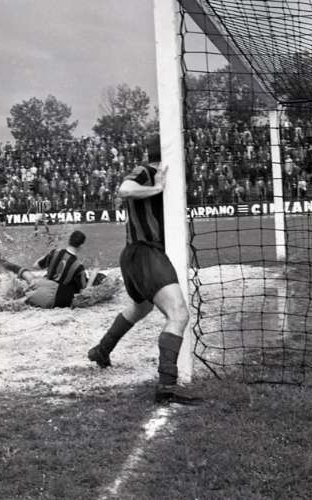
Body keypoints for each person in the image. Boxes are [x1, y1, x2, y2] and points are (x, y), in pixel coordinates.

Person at [87, 136, 201, 405]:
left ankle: (101, 350)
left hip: (134, 255)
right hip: (145, 253)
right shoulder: (147, 171)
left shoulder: (164, 174)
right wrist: (157, 187)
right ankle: (167, 386)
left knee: (141, 307)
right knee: (179, 314)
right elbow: (124, 189)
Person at [0, 230, 98, 310]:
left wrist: (48, 258)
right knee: (15, 303)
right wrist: (93, 274)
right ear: (81, 246)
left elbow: (36, 265)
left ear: (69, 240)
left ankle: (7, 265)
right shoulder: (78, 266)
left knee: (28, 275)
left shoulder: (55, 252)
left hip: (42, 282)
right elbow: (85, 292)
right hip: (50, 294)